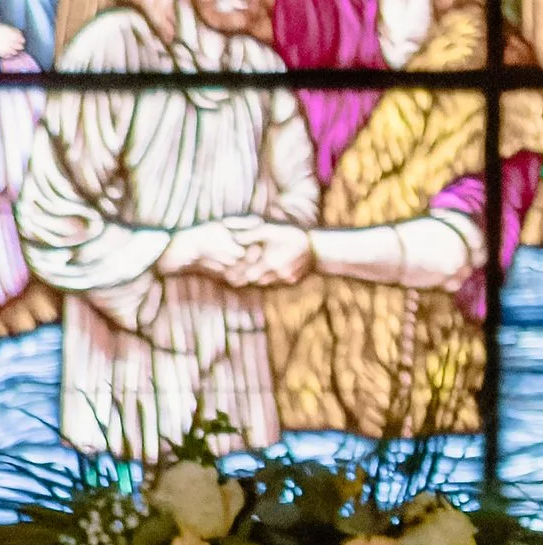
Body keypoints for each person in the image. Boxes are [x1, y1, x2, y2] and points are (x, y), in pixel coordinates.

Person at [16, 0, 319, 458]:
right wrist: (177, 250)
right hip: (126, 374)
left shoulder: (261, 69)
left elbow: (297, 201)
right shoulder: (116, 50)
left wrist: (273, 248)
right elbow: (51, 218)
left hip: (235, 370)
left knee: (244, 510)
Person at [270, 0, 543, 439]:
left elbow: (455, 250)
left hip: (420, 403)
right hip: (280, 392)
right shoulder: (315, 26)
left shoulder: (496, 65)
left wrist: (311, 251)